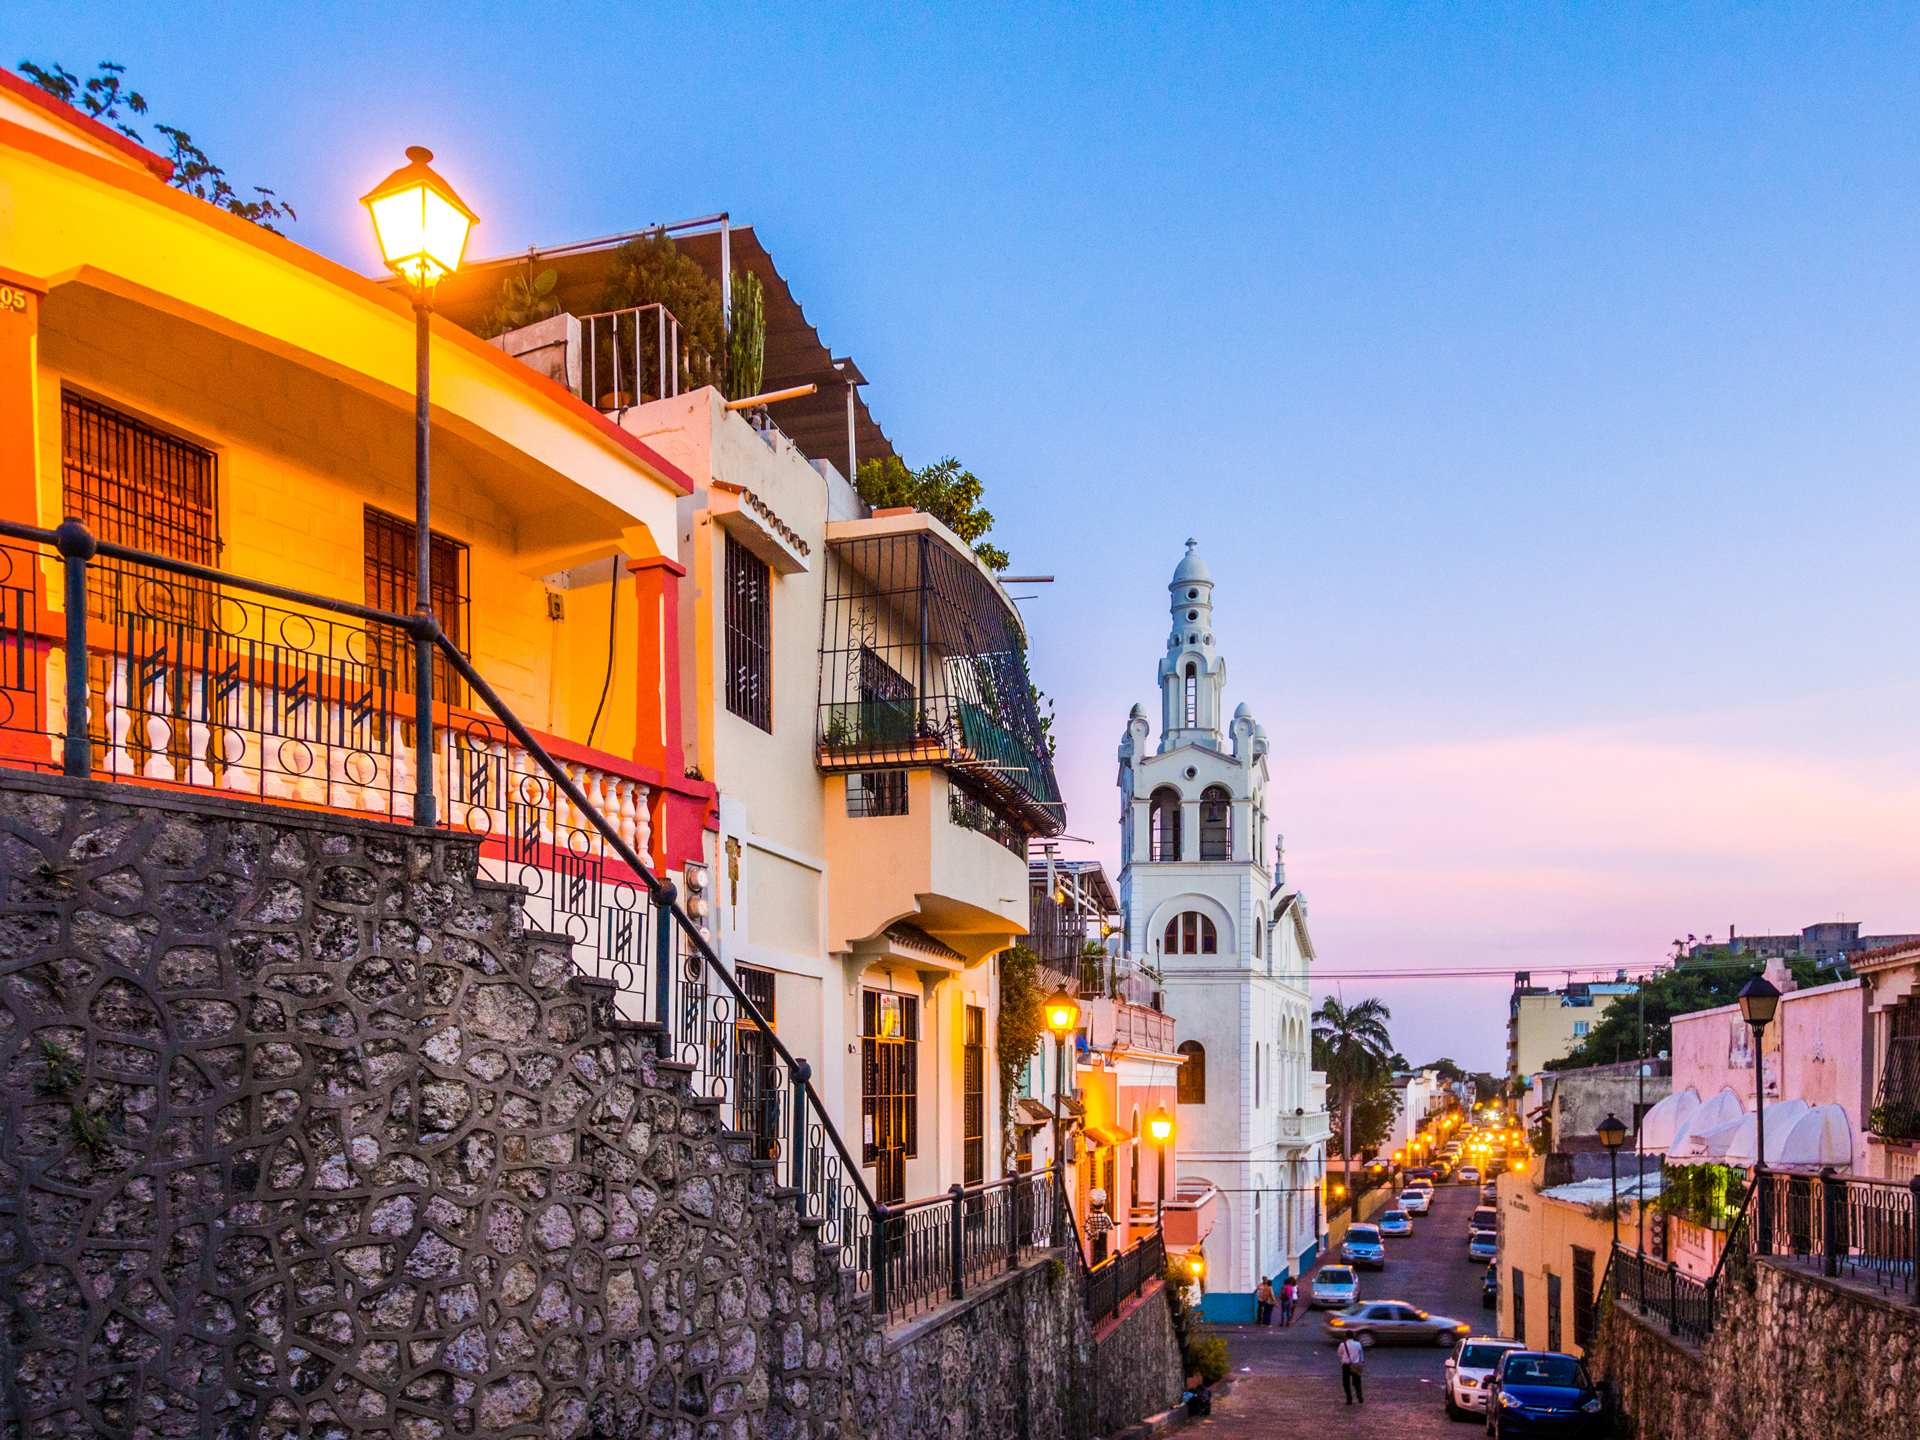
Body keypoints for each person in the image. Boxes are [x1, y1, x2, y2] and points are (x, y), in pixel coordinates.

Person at [1337, 1333, 1365, 1405]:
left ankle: (1349, 1399)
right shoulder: (1358, 1344)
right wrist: (1361, 1362)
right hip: (1356, 1365)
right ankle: (1359, 1396)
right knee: (1357, 1382)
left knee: (1346, 1382)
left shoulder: (1343, 1345)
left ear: (1346, 1336)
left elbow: (1339, 1353)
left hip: (1346, 1365)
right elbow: (1361, 1353)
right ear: (1353, 1336)